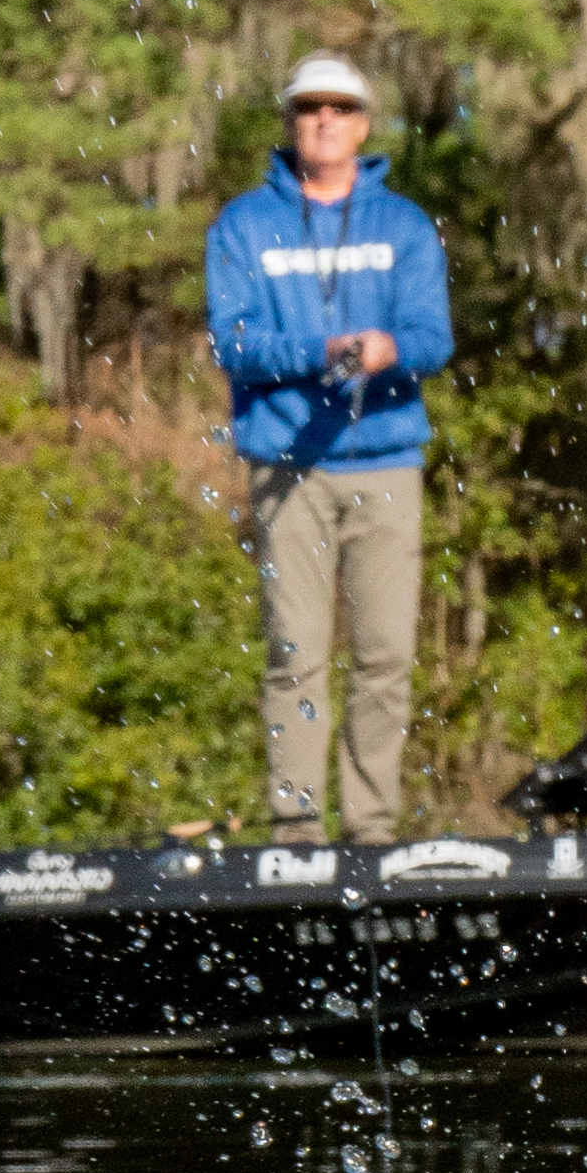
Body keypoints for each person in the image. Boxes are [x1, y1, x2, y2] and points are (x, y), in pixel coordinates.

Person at [204, 54, 455, 846]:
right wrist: (322, 349)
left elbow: (433, 337)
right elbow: (235, 342)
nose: (324, 119)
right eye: (309, 106)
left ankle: (372, 828)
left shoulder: (404, 226)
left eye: (341, 107)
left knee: (385, 654)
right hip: (287, 465)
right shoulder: (243, 225)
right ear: (289, 121)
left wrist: (386, 348)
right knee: (295, 652)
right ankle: (298, 830)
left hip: (384, 461)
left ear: (364, 123)